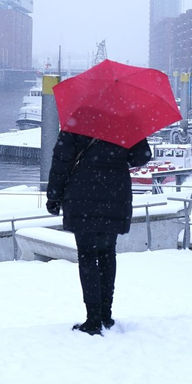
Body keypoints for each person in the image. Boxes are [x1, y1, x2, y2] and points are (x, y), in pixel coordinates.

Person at [46, 130, 152, 335]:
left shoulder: (76, 122)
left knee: (87, 256)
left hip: (82, 195)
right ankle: (105, 314)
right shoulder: (124, 120)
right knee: (107, 253)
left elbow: (61, 163)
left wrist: (54, 197)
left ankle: (93, 318)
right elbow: (142, 156)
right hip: (115, 194)